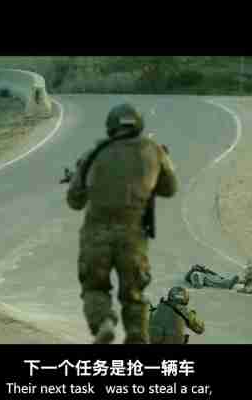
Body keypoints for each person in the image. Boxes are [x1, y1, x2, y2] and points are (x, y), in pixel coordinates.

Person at [67, 103, 178, 344]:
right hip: (133, 235)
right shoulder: (154, 150)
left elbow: (74, 201)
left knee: (94, 288)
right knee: (134, 294)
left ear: (110, 126)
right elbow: (170, 189)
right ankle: (137, 335)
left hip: (96, 235)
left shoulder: (93, 154)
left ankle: (104, 322)